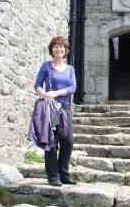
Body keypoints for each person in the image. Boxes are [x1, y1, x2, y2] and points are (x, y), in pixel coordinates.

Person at [34, 35, 77, 187]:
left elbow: (72, 88)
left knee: (68, 141)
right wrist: (44, 94)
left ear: (65, 50)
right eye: (55, 47)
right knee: (51, 142)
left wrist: (56, 93)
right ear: (52, 50)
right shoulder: (46, 66)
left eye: (61, 47)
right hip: (49, 107)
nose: (58, 49)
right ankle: (53, 177)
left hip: (64, 107)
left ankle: (64, 174)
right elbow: (37, 85)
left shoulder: (70, 69)